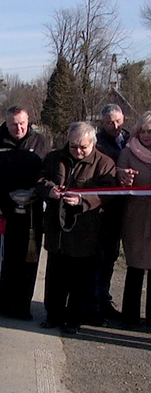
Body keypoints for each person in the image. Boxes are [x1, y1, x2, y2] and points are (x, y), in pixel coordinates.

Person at [37, 122, 116, 334]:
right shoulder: (55, 158)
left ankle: (74, 320)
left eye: (83, 147)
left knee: (80, 280)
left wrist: (82, 200)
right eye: (74, 146)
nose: (78, 151)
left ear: (93, 143)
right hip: (57, 228)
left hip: (85, 231)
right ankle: (53, 315)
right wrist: (49, 190)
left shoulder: (104, 163)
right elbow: (40, 179)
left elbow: (107, 194)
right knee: (55, 277)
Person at [0, 105, 50, 319]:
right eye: (13, 124)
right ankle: (1, 301)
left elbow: (49, 172)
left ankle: (22, 305)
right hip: (4, 212)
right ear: (6, 124)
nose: (18, 128)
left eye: (22, 124)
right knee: (3, 259)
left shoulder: (41, 143)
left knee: (28, 259)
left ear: (28, 122)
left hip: (32, 214)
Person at [94, 103, 132, 320]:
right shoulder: (98, 143)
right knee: (100, 256)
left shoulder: (131, 140)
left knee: (111, 255)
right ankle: (96, 301)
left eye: (117, 121)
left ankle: (104, 297)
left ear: (123, 119)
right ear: (102, 123)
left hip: (126, 209)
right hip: (103, 208)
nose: (114, 125)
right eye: (109, 122)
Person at [117, 111, 151, 328]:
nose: (147, 135)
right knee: (135, 267)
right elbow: (118, 180)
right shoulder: (128, 152)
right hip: (135, 218)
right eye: (144, 131)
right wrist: (124, 177)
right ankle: (129, 316)